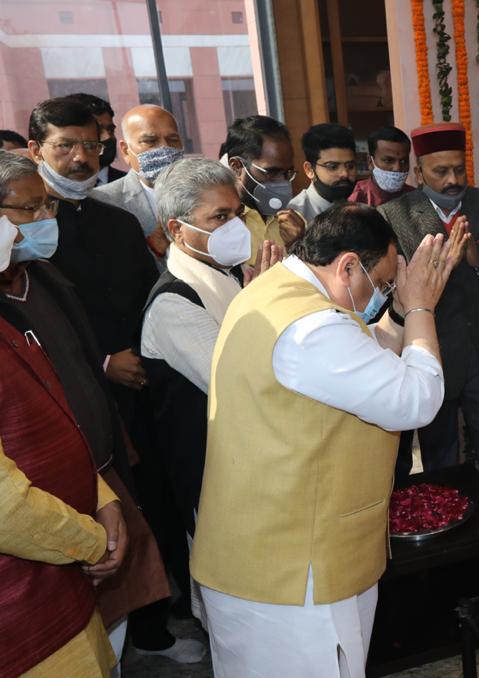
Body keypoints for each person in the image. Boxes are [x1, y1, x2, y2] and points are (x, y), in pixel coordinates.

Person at [191, 204, 467, 677]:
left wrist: (399, 313)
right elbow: (417, 400)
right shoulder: (312, 328)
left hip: (269, 551)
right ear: (347, 266)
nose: (383, 296)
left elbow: (365, 357)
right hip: (291, 571)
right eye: (382, 284)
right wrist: (421, 307)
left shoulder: (278, 292)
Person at [0, 150, 203, 667]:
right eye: (30, 209)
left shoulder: (44, 280)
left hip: (96, 473)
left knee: (108, 624)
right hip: (35, 518)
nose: (47, 219)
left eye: (48, 205)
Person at [379, 122, 479, 508]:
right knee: (439, 466)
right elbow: (385, 289)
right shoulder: (393, 215)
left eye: (459, 170)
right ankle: (452, 561)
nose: (453, 180)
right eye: (440, 172)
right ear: (419, 173)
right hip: (434, 360)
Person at [0, 204, 124, 677]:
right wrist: (93, 542)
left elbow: (52, 418)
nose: (13, 231)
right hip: (25, 626)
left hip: (64, 597)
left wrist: (102, 496)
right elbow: (7, 509)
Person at [141, 156, 282, 538]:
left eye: (237, 214)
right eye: (219, 218)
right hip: (214, 479)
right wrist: (260, 305)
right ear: (177, 229)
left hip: (262, 467)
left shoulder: (233, 272)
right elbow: (240, 382)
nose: (235, 227)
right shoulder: (174, 304)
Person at [26, 97, 158, 412]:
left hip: (146, 377)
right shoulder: (29, 232)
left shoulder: (122, 222)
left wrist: (141, 352)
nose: (81, 158)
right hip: (75, 392)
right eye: (65, 146)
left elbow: (152, 298)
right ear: (35, 151)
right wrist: (102, 362)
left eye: (90, 146)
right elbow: (36, 318)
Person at [91, 104, 185, 267]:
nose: (164, 148)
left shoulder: (206, 193)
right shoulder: (101, 202)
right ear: (126, 150)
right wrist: (155, 249)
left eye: (172, 140)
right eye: (150, 141)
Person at [222, 114, 305, 266]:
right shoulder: (221, 226)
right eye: (272, 172)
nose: (282, 181)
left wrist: (299, 245)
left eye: (287, 173)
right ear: (237, 166)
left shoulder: (296, 223)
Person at [289, 123, 358, 222]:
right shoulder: (295, 215)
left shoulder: (359, 206)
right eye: (333, 167)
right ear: (309, 170)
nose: (345, 174)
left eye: (350, 166)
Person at [66, 93, 125, 186]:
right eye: (98, 130)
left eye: (110, 130)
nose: (108, 136)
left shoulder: (131, 185)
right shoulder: (49, 189)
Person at [350, 125, 414, 207]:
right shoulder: (356, 200)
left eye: (403, 161)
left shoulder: (416, 197)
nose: (397, 168)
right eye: (388, 160)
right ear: (370, 162)